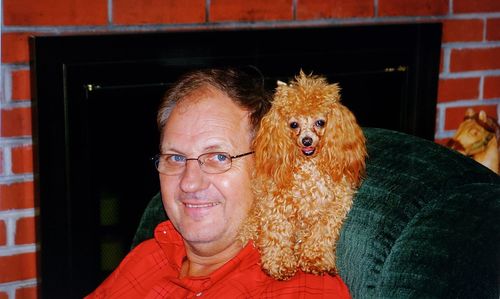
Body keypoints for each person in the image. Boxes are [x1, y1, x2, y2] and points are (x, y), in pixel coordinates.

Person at [85, 68, 351, 298]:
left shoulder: (299, 288)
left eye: (218, 157)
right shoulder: (148, 257)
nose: (189, 183)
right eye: (176, 157)